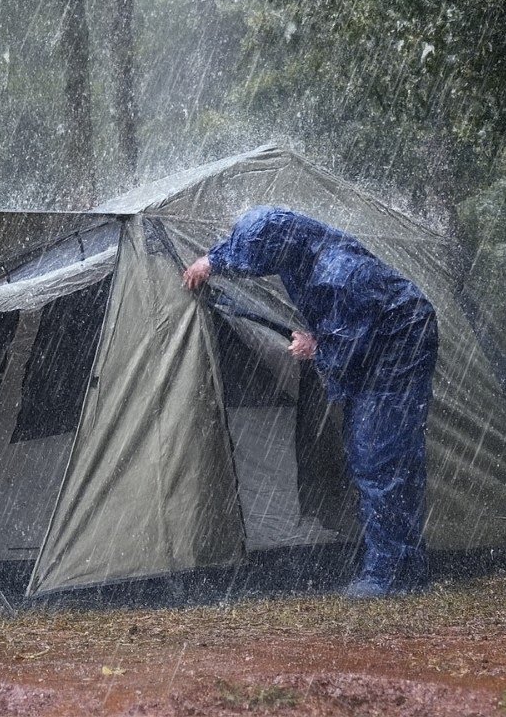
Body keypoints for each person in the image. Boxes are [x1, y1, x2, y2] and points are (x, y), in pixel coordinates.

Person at [182, 206, 439, 599]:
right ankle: (405, 565)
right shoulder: (295, 242)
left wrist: (317, 347)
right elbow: (249, 248)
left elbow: (352, 346)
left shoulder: (337, 275)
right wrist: (213, 260)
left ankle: (391, 576)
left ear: (277, 250)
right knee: (376, 452)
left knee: (379, 455)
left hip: (398, 348)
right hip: (382, 336)